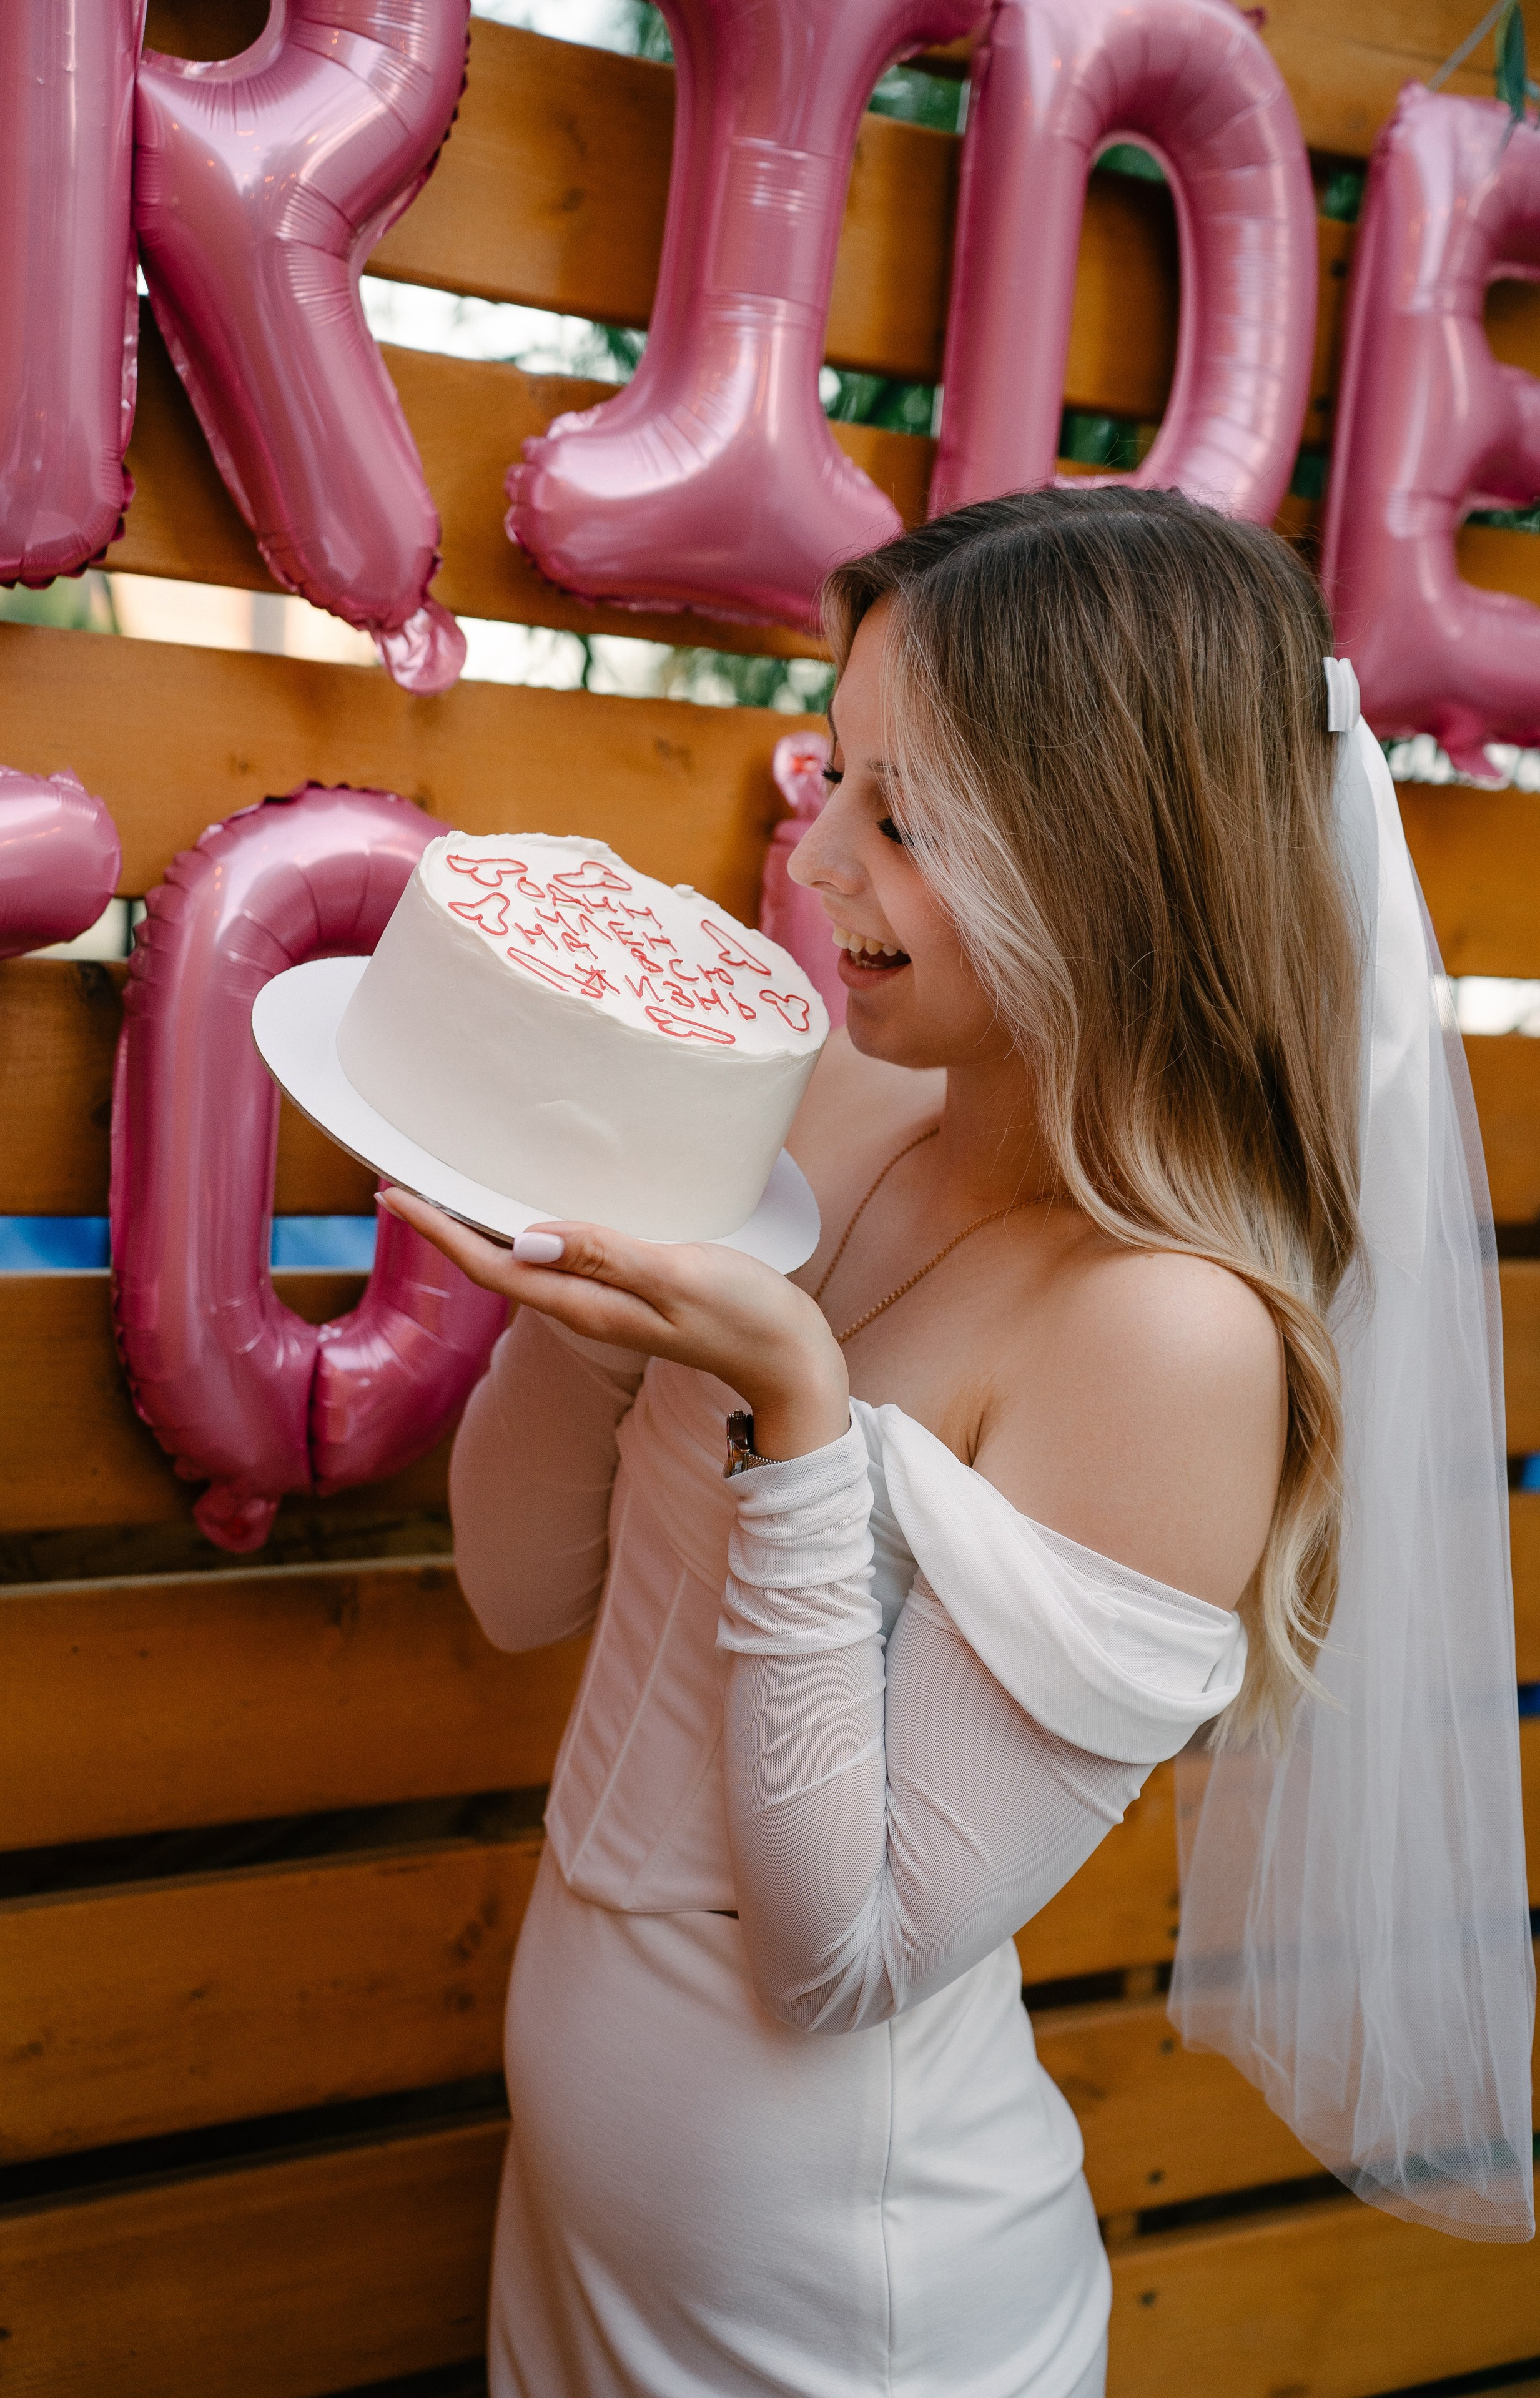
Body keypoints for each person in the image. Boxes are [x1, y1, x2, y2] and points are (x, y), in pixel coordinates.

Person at [383, 485, 1533, 2398]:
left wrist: (797, 1415)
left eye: (902, 821)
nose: (817, 857)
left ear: (1110, 868)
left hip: (850, 2320)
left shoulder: (1167, 1339)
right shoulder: (832, 1105)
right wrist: (574, 1289)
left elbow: (845, 1954)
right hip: (575, 2239)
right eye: (843, 775)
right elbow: (515, 1594)